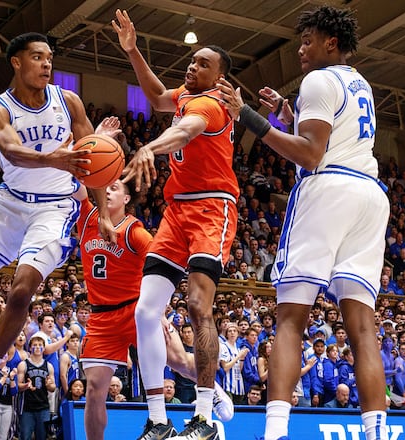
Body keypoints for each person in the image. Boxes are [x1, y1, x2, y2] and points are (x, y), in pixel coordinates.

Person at [216, 6, 390, 440]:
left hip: (329, 190)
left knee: (291, 316)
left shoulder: (319, 79)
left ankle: (274, 432)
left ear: (331, 42)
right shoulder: (359, 81)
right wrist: (288, 117)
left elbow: (312, 155)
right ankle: (377, 433)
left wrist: (249, 117)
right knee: (363, 328)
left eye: (308, 40)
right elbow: (333, 138)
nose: (300, 49)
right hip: (370, 195)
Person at [0, 32, 115, 427]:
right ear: (16, 62)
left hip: (54, 210)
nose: (47, 64)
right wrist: (55, 157)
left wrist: (102, 212)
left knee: (20, 291)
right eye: (37, 57)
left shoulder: (69, 101)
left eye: (50, 58)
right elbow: (12, 151)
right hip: (10, 204)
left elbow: (93, 163)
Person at [113, 10, 238, 439]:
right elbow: (156, 97)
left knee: (199, 306)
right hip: (177, 212)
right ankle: (158, 420)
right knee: (146, 311)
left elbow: (184, 132)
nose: (193, 65)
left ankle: (203, 416)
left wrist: (150, 146)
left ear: (221, 78)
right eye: (193, 60)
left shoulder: (212, 104)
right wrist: (133, 51)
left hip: (211, 209)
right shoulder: (186, 94)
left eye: (204, 63)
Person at [74, 175, 234, 440]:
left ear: (127, 199)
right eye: (106, 189)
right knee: (93, 390)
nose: (108, 192)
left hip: (136, 310)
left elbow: (164, 269)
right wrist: (96, 142)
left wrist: (158, 310)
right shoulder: (88, 218)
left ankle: (211, 387)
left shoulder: (135, 232)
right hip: (102, 316)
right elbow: (77, 181)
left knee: (181, 362)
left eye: (115, 188)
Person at [17, 335, 56, 440]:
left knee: (42, 437)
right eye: (35, 345)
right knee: (25, 437)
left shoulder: (49, 366)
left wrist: (49, 385)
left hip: (43, 407)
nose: (38, 347)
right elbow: (18, 386)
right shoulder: (23, 364)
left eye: (40, 345)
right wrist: (25, 386)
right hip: (26, 408)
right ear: (30, 348)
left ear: (44, 348)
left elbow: (53, 387)